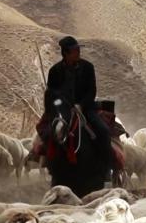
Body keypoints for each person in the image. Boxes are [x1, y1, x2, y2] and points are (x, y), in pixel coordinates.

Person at [43, 36, 112, 171]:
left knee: (103, 131)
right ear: (66, 53)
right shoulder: (54, 71)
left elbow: (91, 91)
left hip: (85, 108)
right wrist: (55, 108)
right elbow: (50, 94)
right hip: (62, 109)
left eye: (78, 49)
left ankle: (106, 169)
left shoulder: (88, 68)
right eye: (75, 50)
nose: (78, 52)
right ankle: (51, 166)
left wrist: (81, 105)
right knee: (48, 133)